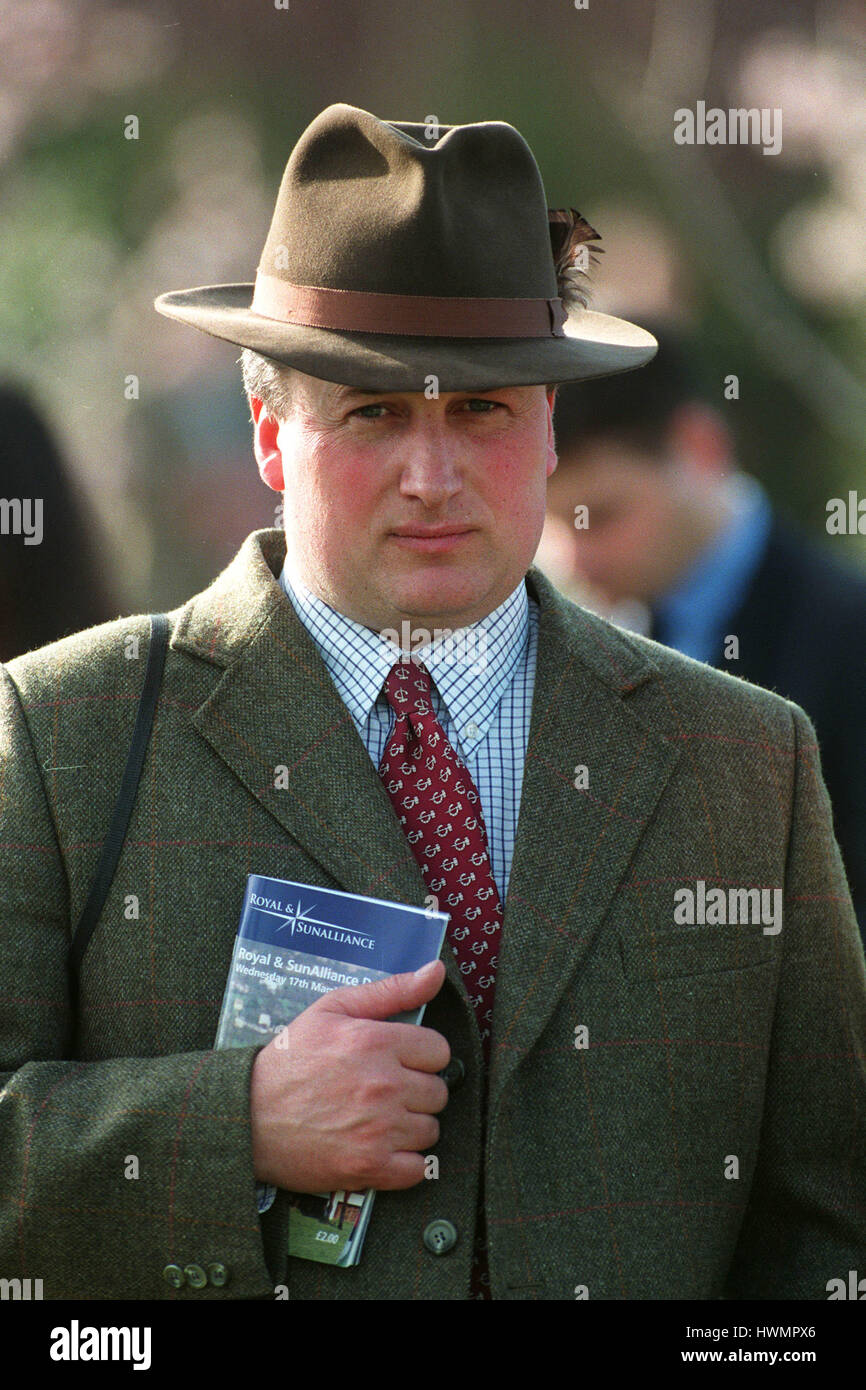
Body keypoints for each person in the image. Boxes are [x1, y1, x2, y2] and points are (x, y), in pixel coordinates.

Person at [0, 104, 864, 1302]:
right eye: (372, 413)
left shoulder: (744, 760)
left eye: (480, 411)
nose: (432, 474)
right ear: (268, 431)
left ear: (550, 427)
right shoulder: (60, 735)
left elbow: (828, 1225)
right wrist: (231, 1119)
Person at [543, 326, 866, 938]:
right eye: (553, 527)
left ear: (700, 447)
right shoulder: (599, 646)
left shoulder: (848, 635)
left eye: (602, 516)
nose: (577, 565)